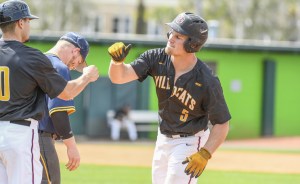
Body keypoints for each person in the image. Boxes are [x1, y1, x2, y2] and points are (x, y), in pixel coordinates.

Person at [108, 12, 231, 184]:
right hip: (163, 138)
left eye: (178, 36)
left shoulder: (206, 81)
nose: (171, 38)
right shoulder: (156, 58)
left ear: (193, 44)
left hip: (189, 141)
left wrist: (205, 153)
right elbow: (119, 77)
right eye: (171, 32)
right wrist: (116, 62)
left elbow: (222, 123)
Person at [0, 1, 99, 184]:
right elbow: (66, 94)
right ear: (21, 22)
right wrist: (86, 77)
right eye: (28, 21)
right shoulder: (32, 57)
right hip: (19, 135)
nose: (29, 25)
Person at [38, 32, 91, 184]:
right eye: (76, 62)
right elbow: (58, 112)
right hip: (40, 136)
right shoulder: (59, 66)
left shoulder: (37, 60)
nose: (73, 66)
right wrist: (71, 146)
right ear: (75, 51)